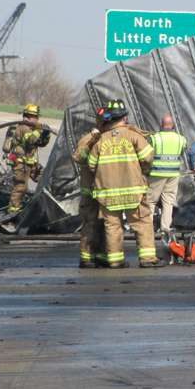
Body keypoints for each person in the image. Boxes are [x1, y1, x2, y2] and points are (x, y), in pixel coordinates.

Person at [87, 99, 164, 268]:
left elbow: (91, 164)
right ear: (124, 118)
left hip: (108, 193)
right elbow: (147, 158)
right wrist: (140, 170)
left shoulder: (100, 140)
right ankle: (147, 259)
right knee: (142, 223)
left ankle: (115, 261)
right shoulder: (134, 136)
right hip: (133, 191)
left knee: (112, 227)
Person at [72, 107, 112, 268]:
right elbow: (79, 158)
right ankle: (86, 257)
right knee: (90, 223)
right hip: (90, 190)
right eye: (110, 123)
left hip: (104, 189)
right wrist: (90, 146)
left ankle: (101, 256)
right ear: (102, 123)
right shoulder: (89, 138)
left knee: (105, 223)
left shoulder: (107, 138)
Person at [7, 103, 52, 213]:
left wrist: (46, 135)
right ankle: (14, 209)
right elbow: (31, 140)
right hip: (20, 162)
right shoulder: (23, 128)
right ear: (28, 116)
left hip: (30, 162)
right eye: (35, 117)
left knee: (45, 177)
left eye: (37, 117)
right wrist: (38, 130)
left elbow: (40, 143)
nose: (37, 119)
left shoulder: (31, 129)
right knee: (21, 185)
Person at [147, 115, 188, 233]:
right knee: (168, 201)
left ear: (161, 124)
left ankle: (148, 228)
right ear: (173, 125)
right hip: (173, 173)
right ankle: (165, 227)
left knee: (150, 201)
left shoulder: (155, 138)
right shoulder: (181, 139)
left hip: (157, 173)